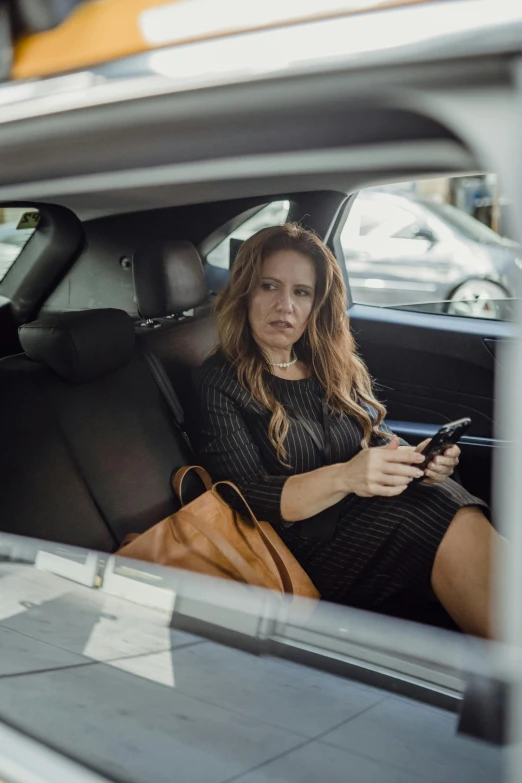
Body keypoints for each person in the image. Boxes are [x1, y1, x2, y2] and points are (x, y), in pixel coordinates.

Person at [192, 223, 497, 637]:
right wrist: (345, 476)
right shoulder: (219, 380)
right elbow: (242, 497)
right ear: (245, 291)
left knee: (439, 494)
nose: (285, 305)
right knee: (429, 515)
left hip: (357, 513)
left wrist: (416, 461)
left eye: (301, 292)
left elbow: (374, 435)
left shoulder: (326, 364)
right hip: (297, 548)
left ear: (316, 302)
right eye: (269, 286)